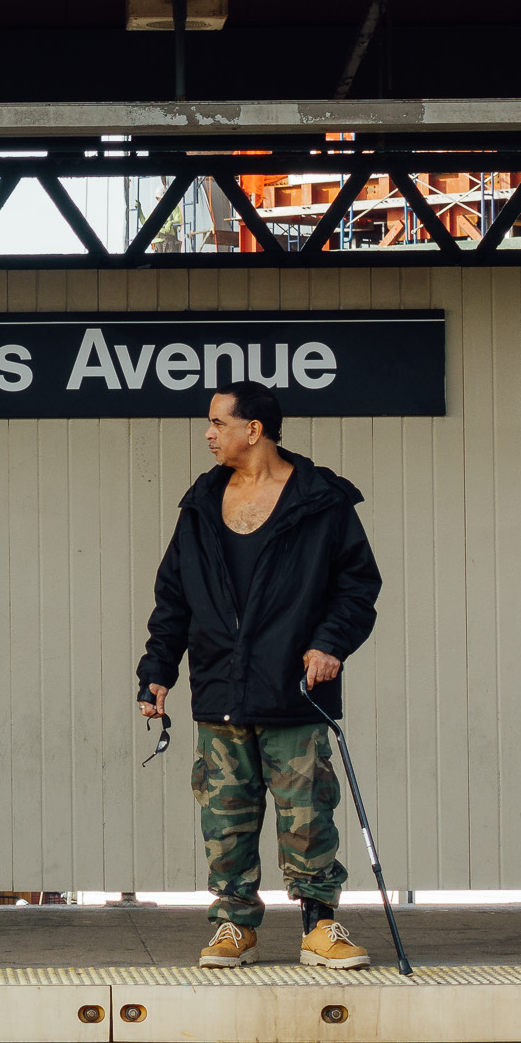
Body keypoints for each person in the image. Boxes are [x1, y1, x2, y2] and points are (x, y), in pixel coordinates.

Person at [136, 380, 382, 971]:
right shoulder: (201, 505)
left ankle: (319, 927)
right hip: (219, 688)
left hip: (295, 691)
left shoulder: (321, 501)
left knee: (308, 815)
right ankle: (234, 926)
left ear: (254, 429)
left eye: (218, 423)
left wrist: (330, 644)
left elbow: (357, 586)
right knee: (224, 818)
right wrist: (158, 669)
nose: (208, 434)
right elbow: (174, 596)